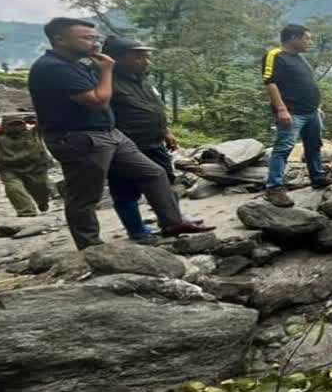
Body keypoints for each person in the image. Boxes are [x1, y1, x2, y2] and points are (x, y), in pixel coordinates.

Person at [27, 17, 212, 249]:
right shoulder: (53, 68)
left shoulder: (78, 66)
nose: (94, 43)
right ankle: (91, 246)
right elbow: (98, 100)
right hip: (79, 137)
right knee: (85, 196)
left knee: (154, 174)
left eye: (95, 38)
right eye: (86, 38)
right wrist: (107, 70)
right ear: (60, 39)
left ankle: (172, 223)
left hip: (109, 133)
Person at [102, 35, 184, 239]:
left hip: (154, 141)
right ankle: (137, 230)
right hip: (126, 145)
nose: (147, 61)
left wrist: (166, 131)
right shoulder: (106, 81)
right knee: (125, 189)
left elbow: (155, 107)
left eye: (146, 56)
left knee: (166, 180)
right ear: (117, 59)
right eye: (139, 57)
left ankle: (173, 221)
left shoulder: (143, 79)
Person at [262, 24, 328, 207]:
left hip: (312, 111)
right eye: (307, 38)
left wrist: (317, 107)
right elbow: (270, 82)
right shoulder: (275, 56)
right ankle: (274, 188)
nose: (310, 42)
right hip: (292, 112)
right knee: (283, 148)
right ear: (293, 38)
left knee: (314, 145)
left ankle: (318, 177)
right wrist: (282, 109)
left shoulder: (299, 59)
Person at [0, 113, 53, 217]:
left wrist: (37, 117)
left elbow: (44, 121)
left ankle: (42, 202)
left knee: (41, 189)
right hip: (10, 170)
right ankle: (26, 211)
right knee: (13, 188)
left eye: (18, 124)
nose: (16, 127)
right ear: (4, 127)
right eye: (11, 125)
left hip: (36, 168)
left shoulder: (33, 134)